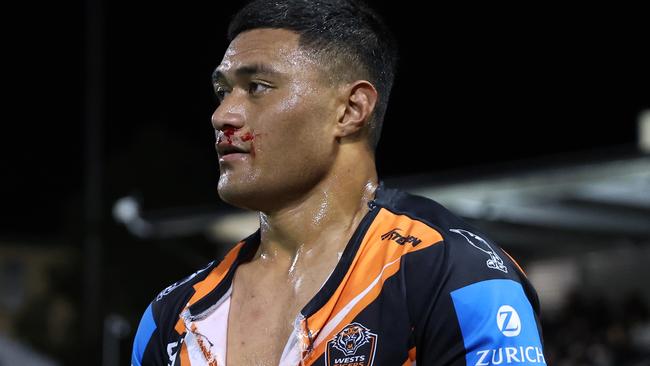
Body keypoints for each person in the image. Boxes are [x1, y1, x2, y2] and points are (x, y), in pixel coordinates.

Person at [131, 0, 546, 365]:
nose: (223, 116)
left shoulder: (453, 273)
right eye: (223, 91)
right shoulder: (173, 316)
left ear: (351, 109)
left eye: (257, 87)